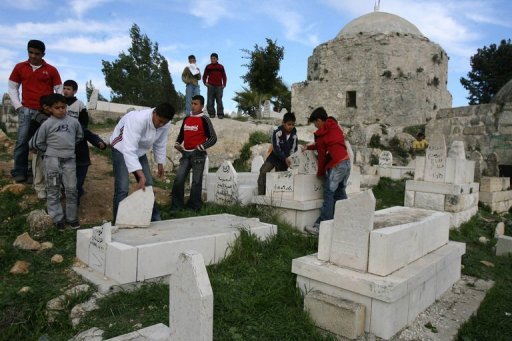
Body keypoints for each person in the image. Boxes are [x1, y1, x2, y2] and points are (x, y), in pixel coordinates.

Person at [110, 103, 175, 225]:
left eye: (164, 123)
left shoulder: (165, 123)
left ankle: (155, 218)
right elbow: (128, 148)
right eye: (159, 121)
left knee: (148, 185)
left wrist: (160, 162)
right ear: (154, 113)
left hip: (140, 150)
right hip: (121, 147)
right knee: (122, 187)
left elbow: (160, 142)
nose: (161, 125)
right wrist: (140, 174)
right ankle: (117, 223)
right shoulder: (138, 119)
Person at [8, 39, 62, 183]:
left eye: (37, 53)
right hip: (25, 110)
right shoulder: (20, 67)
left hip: (45, 113)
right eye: (30, 52)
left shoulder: (51, 70)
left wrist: (55, 108)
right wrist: (18, 106)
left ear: (43, 54)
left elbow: (59, 89)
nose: (33, 56)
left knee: (44, 142)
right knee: (22, 141)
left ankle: (38, 171)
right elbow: (12, 87)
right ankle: (19, 171)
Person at [29, 94, 83, 230]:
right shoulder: (46, 124)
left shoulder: (74, 122)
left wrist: (67, 148)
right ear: (50, 109)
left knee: (71, 189)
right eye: (57, 107)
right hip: (52, 160)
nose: (61, 110)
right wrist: (50, 151)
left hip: (69, 160)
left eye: (63, 107)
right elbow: (37, 142)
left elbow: (79, 136)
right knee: (53, 188)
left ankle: (71, 218)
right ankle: (56, 218)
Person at [304, 107, 351, 235]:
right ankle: (347, 220)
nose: (316, 126)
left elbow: (322, 155)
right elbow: (325, 144)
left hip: (336, 165)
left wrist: (320, 173)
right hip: (346, 162)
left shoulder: (321, 134)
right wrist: (309, 147)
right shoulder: (334, 126)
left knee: (329, 194)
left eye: (315, 123)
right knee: (340, 193)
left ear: (319, 120)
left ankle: (321, 225)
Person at [63, 80, 107, 205]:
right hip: (65, 155)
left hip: (81, 155)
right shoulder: (58, 104)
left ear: (75, 91)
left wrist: (99, 143)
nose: (65, 91)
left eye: (69, 89)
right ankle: (74, 193)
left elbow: (86, 131)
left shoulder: (80, 106)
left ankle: (75, 198)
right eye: (64, 88)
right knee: (69, 180)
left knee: (79, 179)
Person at [171, 95, 217, 213]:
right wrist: (177, 143)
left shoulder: (204, 119)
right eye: (192, 103)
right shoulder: (187, 119)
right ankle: (177, 206)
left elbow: (213, 138)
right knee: (179, 180)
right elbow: (182, 134)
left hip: (198, 155)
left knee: (196, 182)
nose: (193, 106)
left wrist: (201, 147)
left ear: (202, 106)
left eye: (195, 104)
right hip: (185, 154)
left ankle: (194, 207)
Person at [257, 112, 298, 195]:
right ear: (283, 123)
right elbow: (276, 148)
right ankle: (261, 196)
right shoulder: (277, 133)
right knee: (263, 171)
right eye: (288, 124)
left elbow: (293, 149)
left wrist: (289, 159)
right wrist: (284, 158)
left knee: (280, 179)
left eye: (292, 124)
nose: (290, 127)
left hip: (285, 161)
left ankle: (276, 197)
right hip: (274, 157)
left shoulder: (294, 136)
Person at [28, 95, 52, 199]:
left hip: (51, 148)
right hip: (38, 148)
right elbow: (31, 132)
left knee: (51, 169)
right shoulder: (37, 116)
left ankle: (52, 188)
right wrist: (32, 146)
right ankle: (40, 188)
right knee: (38, 168)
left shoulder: (54, 116)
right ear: (45, 106)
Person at [202, 53, 227, 119]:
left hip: (219, 86)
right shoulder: (208, 66)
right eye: (211, 58)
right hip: (210, 85)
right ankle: (211, 113)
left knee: (219, 100)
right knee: (210, 100)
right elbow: (204, 76)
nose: (213, 60)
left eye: (214, 58)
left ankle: (220, 114)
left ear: (217, 59)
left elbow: (224, 76)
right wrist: (205, 83)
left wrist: (224, 84)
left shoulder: (221, 67)